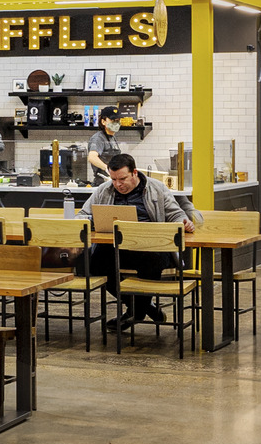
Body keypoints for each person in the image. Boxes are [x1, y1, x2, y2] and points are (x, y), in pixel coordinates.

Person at [82, 152, 193, 329]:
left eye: (122, 179)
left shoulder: (156, 188)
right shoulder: (104, 190)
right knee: (94, 263)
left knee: (152, 261)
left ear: (134, 173)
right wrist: (89, 221)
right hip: (117, 248)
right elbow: (83, 215)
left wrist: (184, 222)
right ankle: (142, 307)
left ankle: (136, 311)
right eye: (114, 179)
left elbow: (176, 214)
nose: (118, 184)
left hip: (152, 248)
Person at [83, 107, 123, 181]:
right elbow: (92, 158)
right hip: (103, 181)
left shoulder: (113, 137)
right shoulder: (98, 138)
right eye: (113, 120)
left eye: (118, 120)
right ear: (103, 121)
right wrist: (107, 168)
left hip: (114, 180)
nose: (116, 123)